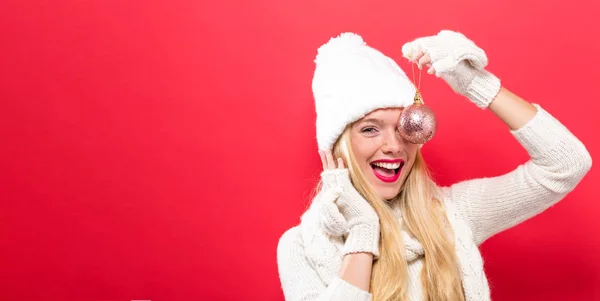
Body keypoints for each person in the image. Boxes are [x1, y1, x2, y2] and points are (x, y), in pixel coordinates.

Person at [276, 30, 592, 301]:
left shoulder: (453, 212)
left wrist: (476, 83)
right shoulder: (301, 245)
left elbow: (566, 164)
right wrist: (362, 228)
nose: (394, 145)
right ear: (336, 148)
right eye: (370, 129)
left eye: (403, 126)